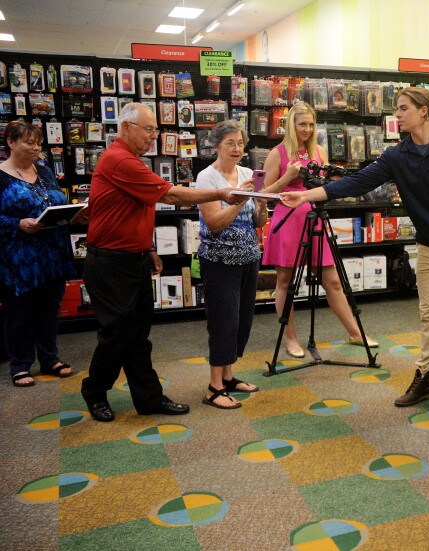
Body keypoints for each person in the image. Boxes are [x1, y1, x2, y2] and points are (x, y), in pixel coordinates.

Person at [279, 87, 429, 407]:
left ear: (424, 111)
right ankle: (426, 379)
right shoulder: (397, 154)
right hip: (426, 249)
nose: (397, 115)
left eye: (403, 109)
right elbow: (358, 182)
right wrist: (306, 195)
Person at [80, 103, 248, 423]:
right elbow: (170, 196)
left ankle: (149, 398)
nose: (153, 136)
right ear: (126, 128)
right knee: (117, 334)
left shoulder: (132, 161)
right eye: (149, 129)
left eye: (156, 130)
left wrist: (148, 248)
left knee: (137, 334)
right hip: (111, 264)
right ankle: (95, 390)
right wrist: (220, 194)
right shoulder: (119, 159)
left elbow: (134, 211)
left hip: (133, 259)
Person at [260, 102, 376, 358]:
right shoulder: (277, 153)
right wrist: (288, 178)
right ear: (291, 125)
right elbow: (263, 194)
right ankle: (290, 339)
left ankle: (355, 332)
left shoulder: (319, 151)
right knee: (285, 281)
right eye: (302, 124)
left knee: (332, 280)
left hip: (315, 219)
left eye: (311, 124)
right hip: (288, 221)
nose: (307, 129)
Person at [0, 120, 76, 387]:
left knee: (49, 309)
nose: (36, 148)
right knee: (19, 312)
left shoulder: (44, 172)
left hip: (51, 253)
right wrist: (17, 224)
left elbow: (57, 202)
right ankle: (20, 365)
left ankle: (49, 358)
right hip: (19, 257)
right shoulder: (0, 176)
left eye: (38, 143)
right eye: (29, 143)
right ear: (11, 142)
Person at [195, 120, 262, 409]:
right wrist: (240, 200)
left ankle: (229, 376)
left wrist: (260, 203)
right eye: (230, 143)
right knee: (223, 321)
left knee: (242, 320)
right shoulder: (206, 178)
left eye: (240, 143)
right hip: (219, 260)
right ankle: (214, 386)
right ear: (216, 146)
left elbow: (259, 222)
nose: (237, 149)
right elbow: (213, 224)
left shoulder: (247, 173)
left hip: (248, 257)